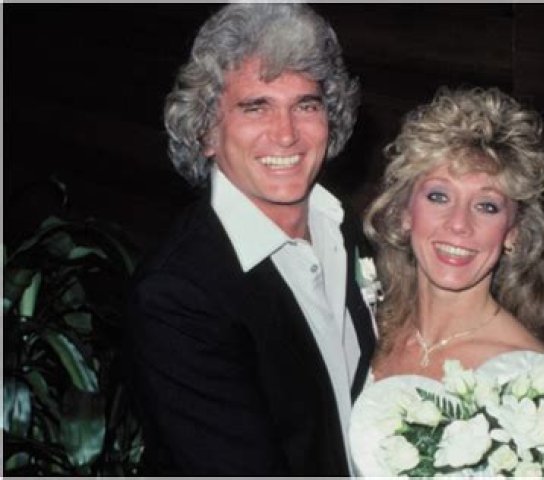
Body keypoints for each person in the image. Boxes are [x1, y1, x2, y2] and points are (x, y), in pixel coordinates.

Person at [124, 3, 376, 476]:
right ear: (206, 133)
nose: (286, 134)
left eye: (306, 105)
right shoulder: (176, 298)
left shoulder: (345, 227)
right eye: (256, 107)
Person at [357, 86, 544, 475]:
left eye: (487, 206)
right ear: (405, 213)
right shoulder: (366, 332)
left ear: (513, 233)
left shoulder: (541, 388)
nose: (459, 224)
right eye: (439, 197)